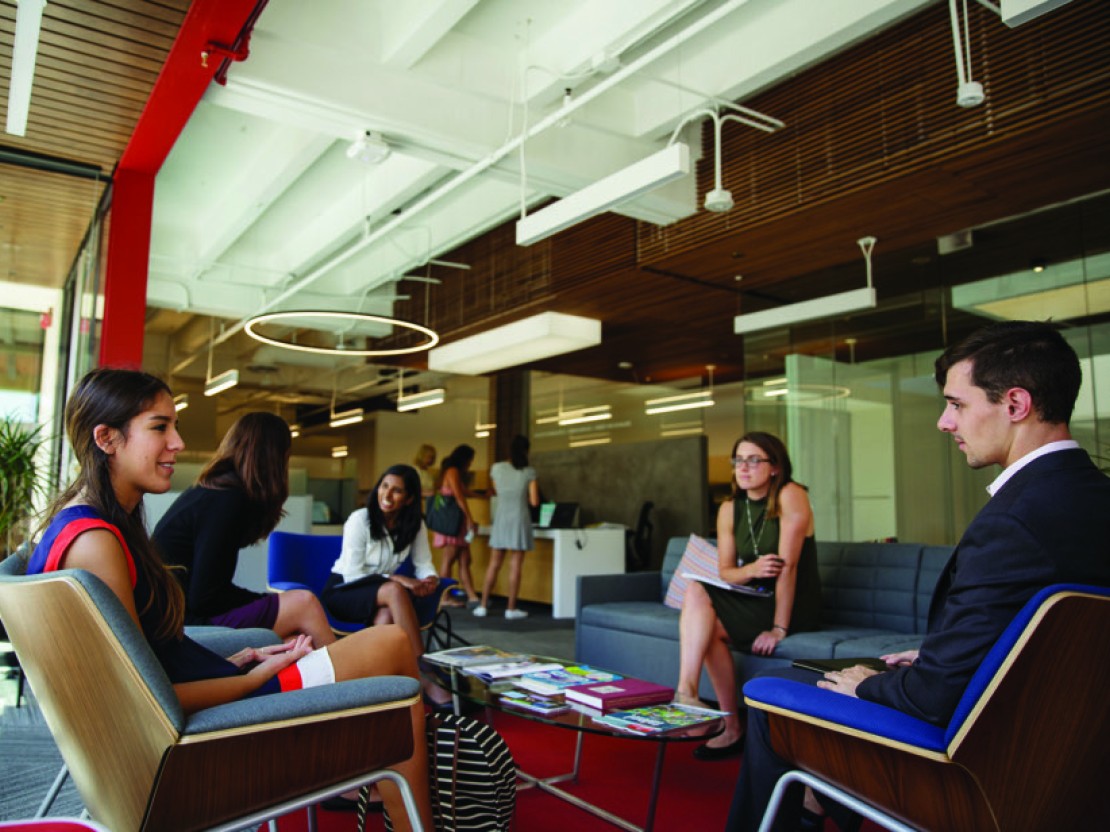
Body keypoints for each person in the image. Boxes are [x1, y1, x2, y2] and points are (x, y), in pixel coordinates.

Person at [727, 321, 1110, 832]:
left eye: (957, 404)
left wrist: (872, 686)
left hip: (979, 775)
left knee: (779, 688)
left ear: (1015, 404)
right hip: (1071, 764)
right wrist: (942, 655)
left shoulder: (1013, 522)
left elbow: (933, 696)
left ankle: (807, 802)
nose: (943, 422)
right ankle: (819, 799)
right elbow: (1046, 640)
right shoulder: (1092, 500)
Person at [26, 368, 432, 830]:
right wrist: (251, 676)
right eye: (160, 427)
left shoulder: (77, 525)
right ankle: (401, 807)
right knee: (395, 647)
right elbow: (139, 697)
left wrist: (240, 659)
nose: (177, 442)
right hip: (208, 734)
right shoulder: (98, 543)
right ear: (107, 439)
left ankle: (392, 795)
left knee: (387, 661)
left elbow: (148, 659)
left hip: (211, 696)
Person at [676, 432, 821, 761]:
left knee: (707, 625)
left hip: (793, 603)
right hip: (755, 596)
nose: (743, 467)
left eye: (754, 460)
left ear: (774, 467)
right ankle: (698, 701)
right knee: (701, 603)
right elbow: (726, 571)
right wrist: (753, 568)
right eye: (738, 460)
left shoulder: (791, 494)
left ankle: (721, 722)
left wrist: (779, 629)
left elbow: (790, 567)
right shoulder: (729, 508)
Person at [152, 412, 333, 646]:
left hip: (174, 616)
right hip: (186, 621)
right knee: (304, 603)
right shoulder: (227, 500)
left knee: (298, 638)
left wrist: (266, 602)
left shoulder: (209, 491)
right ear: (275, 457)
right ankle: (350, 677)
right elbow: (206, 597)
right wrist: (264, 600)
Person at [322, 463, 451, 705]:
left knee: (384, 617)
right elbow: (352, 574)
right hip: (344, 591)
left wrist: (429, 579)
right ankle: (421, 670)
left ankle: (383, 686)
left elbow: (423, 563)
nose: (387, 495)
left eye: (397, 491)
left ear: (410, 498)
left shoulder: (415, 524)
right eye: (384, 486)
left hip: (380, 594)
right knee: (394, 590)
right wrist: (395, 578)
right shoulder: (360, 520)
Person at [476, 435, 539, 619]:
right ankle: (511, 609)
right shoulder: (529, 472)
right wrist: (523, 497)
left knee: (494, 564)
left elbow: (497, 491)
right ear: (526, 450)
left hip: (501, 518)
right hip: (520, 519)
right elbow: (534, 501)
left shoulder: (496, 468)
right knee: (515, 565)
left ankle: (482, 606)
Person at [433, 444, 480, 605]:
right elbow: (460, 496)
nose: (470, 464)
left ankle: (472, 595)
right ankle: (444, 596)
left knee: (465, 559)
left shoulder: (454, 472)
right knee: (450, 558)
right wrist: (469, 518)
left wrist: (482, 495)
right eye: (470, 460)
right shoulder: (452, 471)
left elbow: (464, 492)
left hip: (456, 524)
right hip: (453, 523)